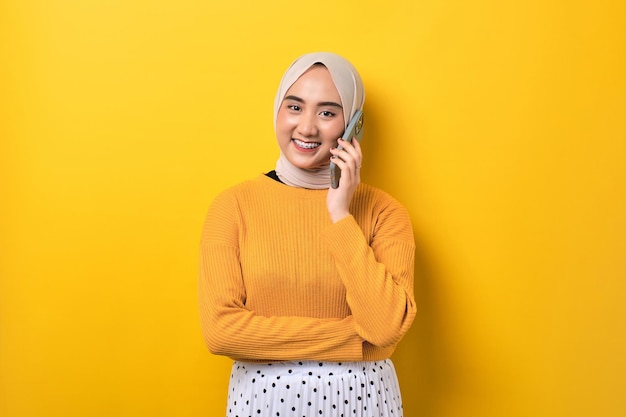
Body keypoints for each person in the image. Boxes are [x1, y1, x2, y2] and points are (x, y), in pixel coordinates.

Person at [198, 52, 416, 417]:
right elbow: (221, 332)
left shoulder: (385, 213)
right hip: (264, 405)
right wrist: (357, 341)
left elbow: (386, 326)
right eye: (295, 107)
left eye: (328, 112)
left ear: (354, 124)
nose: (307, 128)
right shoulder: (233, 205)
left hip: (363, 404)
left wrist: (340, 215)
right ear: (277, 110)